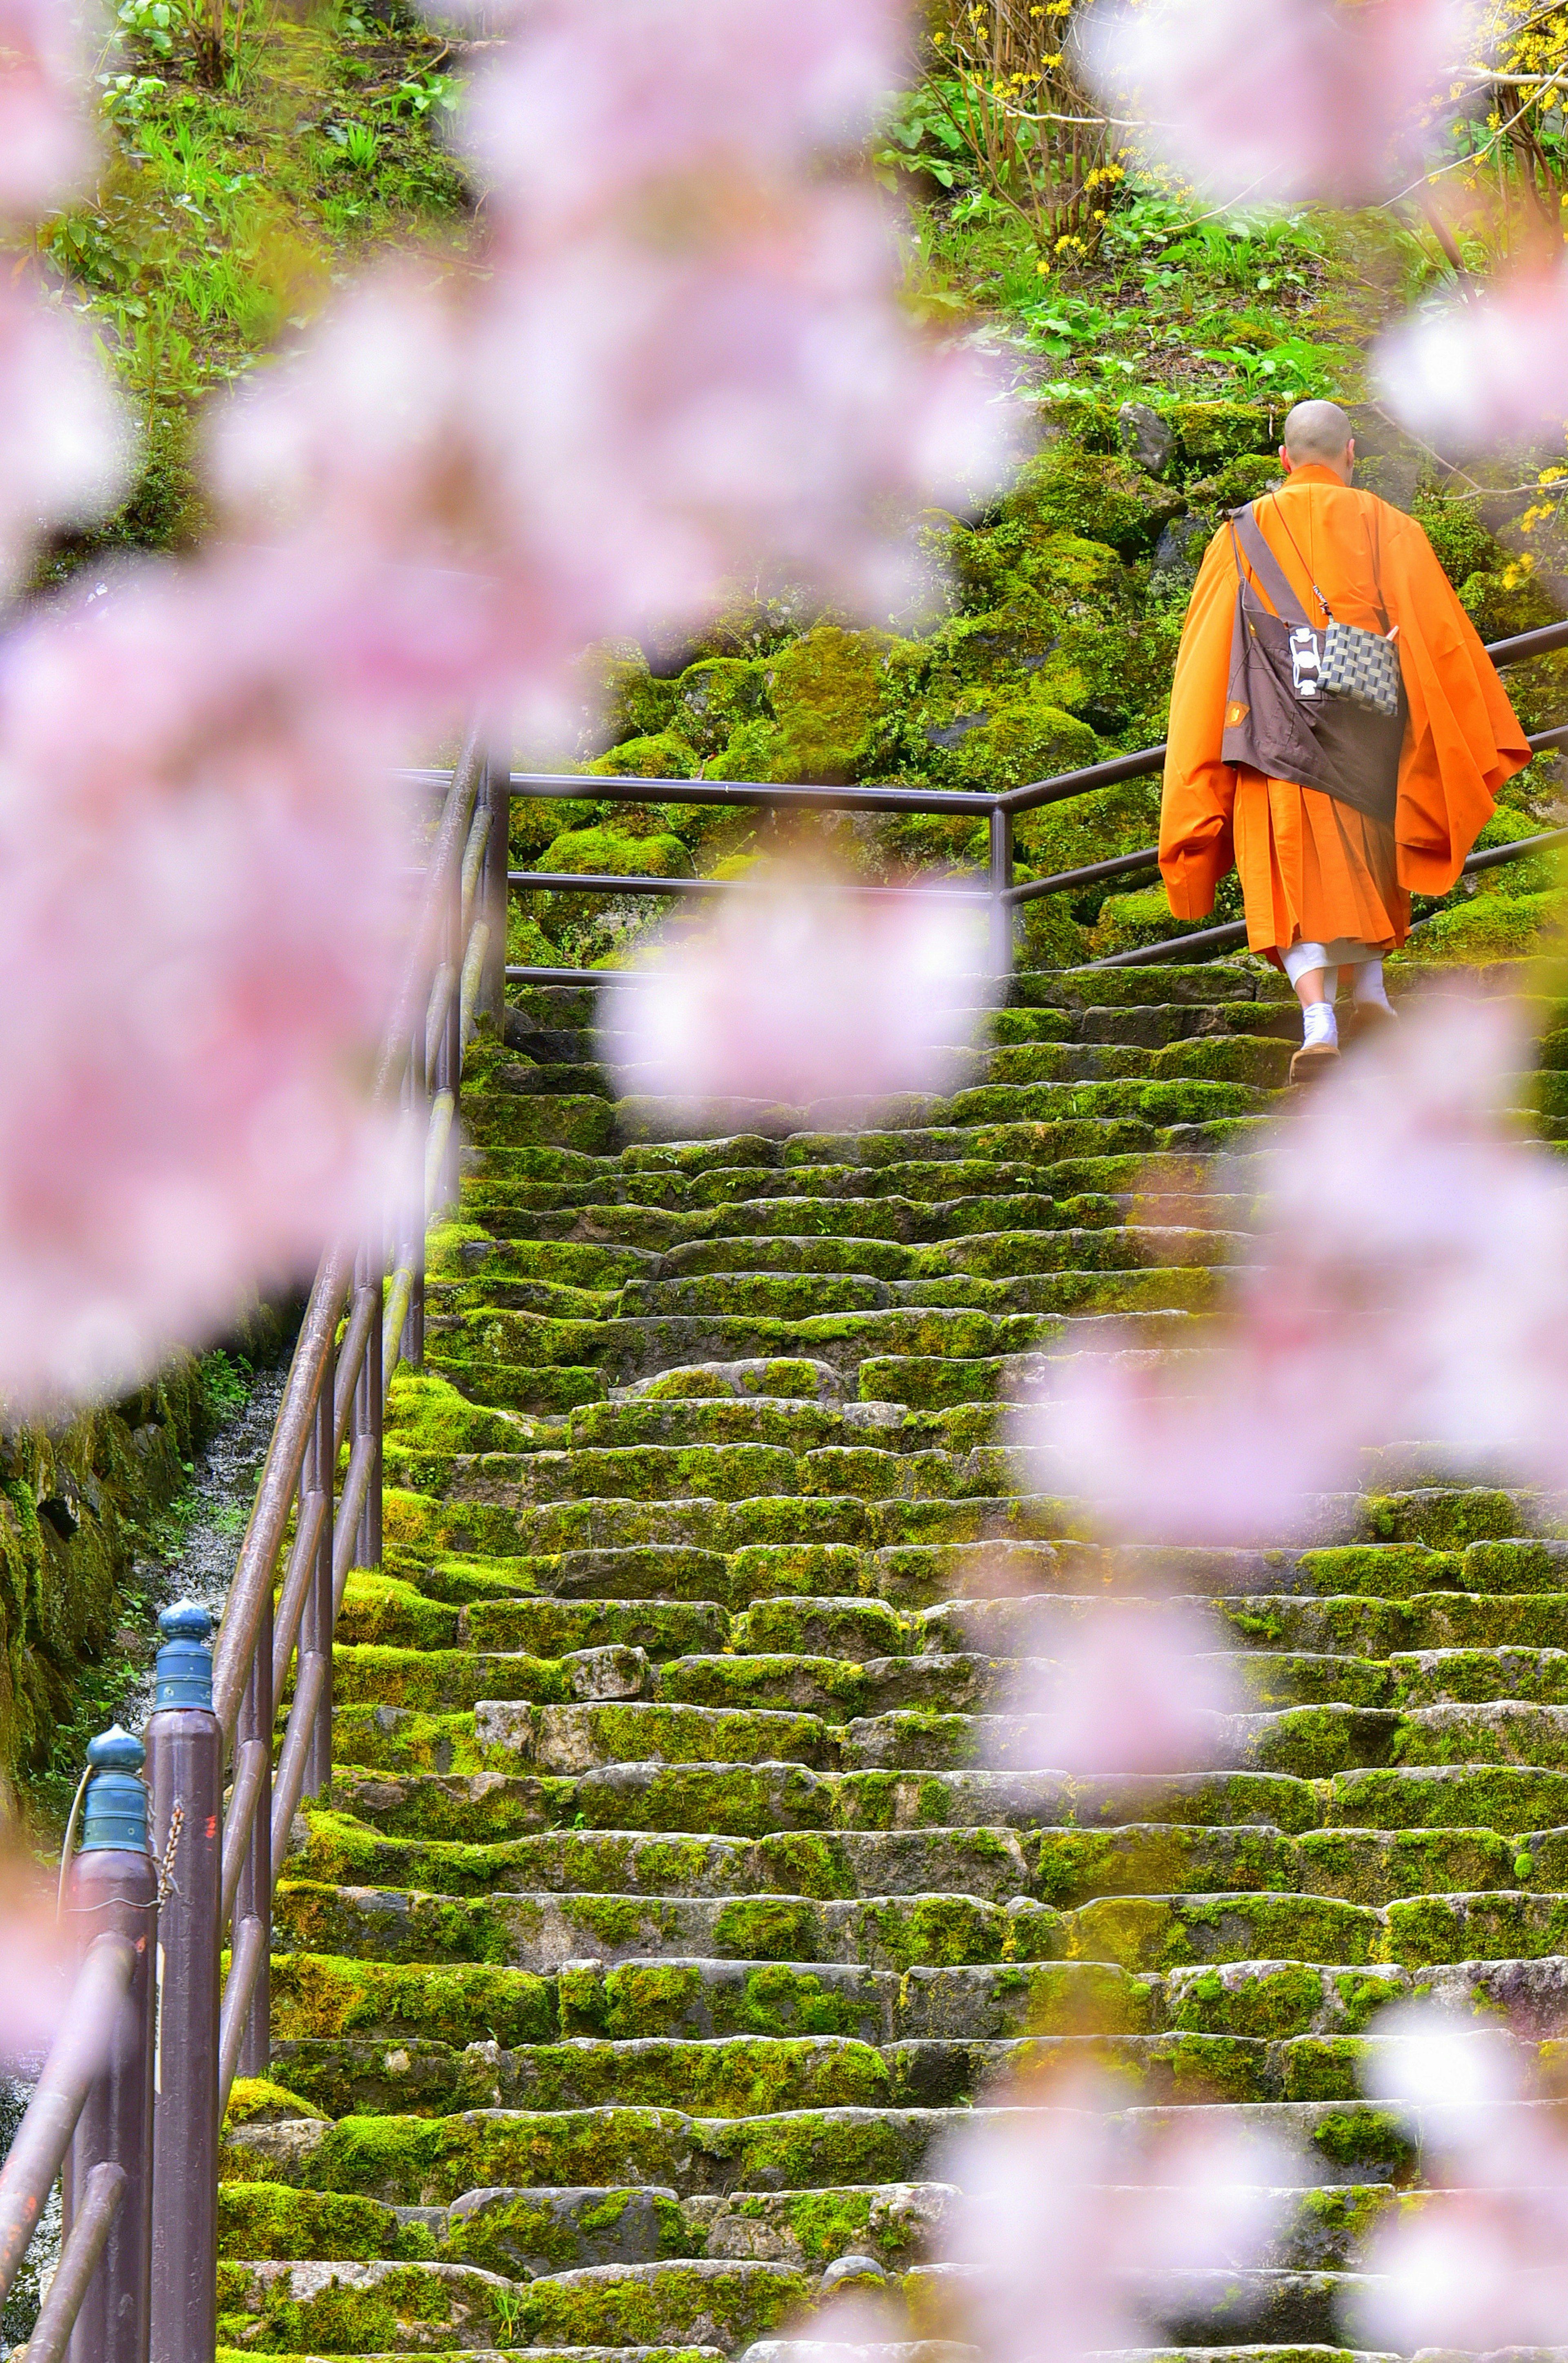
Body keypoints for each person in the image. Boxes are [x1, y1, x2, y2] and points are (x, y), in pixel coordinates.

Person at [1159, 398, 1531, 1080]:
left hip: (1272, 738)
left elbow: (1205, 662)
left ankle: (1319, 1021)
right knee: (1366, 865)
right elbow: (1439, 641)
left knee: (1293, 875)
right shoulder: (1388, 524)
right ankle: (1373, 994)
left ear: (1284, 460)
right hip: (1365, 732)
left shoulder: (1237, 537)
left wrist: (1200, 761)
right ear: (1352, 454)